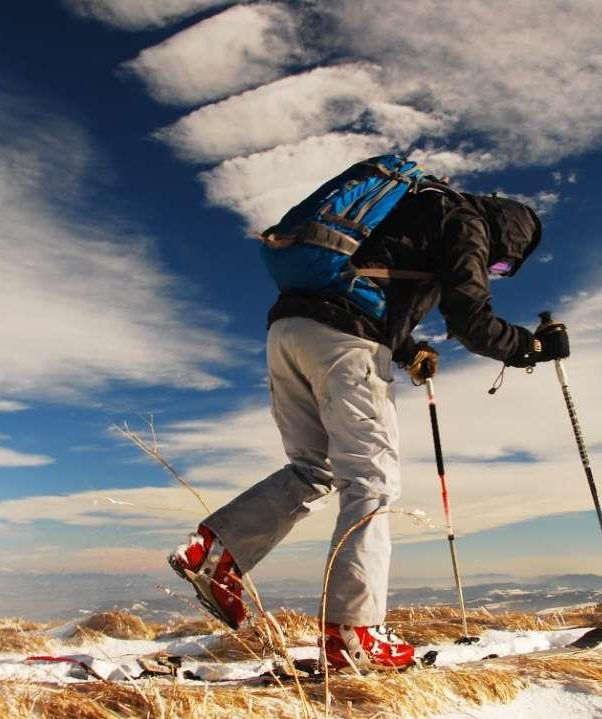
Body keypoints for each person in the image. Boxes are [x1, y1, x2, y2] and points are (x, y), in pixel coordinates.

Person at [169, 181, 570, 671]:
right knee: (371, 482)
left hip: (288, 333)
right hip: (345, 342)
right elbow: (470, 317)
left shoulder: (413, 210)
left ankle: (214, 554)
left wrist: (406, 349)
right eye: (503, 264)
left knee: (312, 469)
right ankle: (354, 635)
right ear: (512, 234)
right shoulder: (468, 221)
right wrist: (528, 348)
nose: (496, 270)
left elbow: (365, 282)